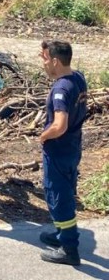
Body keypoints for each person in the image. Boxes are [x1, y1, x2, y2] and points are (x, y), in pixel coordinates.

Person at [37, 40, 87, 266]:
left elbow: (60, 125)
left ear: (56, 61)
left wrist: (44, 136)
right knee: (64, 191)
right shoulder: (78, 78)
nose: (44, 64)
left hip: (58, 150)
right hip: (73, 147)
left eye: (46, 59)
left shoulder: (60, 88)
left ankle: (69, 247)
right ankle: (61, 234)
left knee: (59, 197)